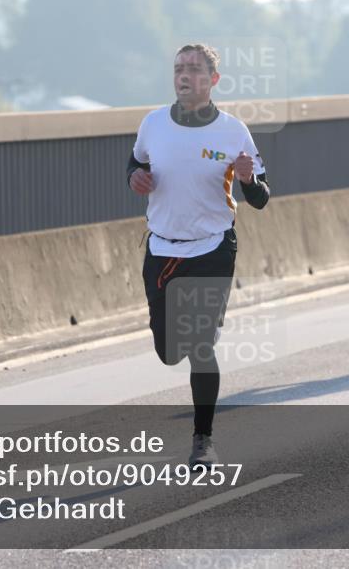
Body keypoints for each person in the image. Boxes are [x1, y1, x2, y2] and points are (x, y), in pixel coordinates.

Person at [127, 43, 270, 467]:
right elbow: (133, 163)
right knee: (170, 350)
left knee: (201, 344)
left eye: (193, 68)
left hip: (213, 247)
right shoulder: (153, 124)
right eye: (178, 68)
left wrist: (248, 180)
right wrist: (134, 177)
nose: (184, 75)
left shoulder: (233, 131)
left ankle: (202, 441)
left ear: (213, 80)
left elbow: (260, 197)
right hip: (162, 248)